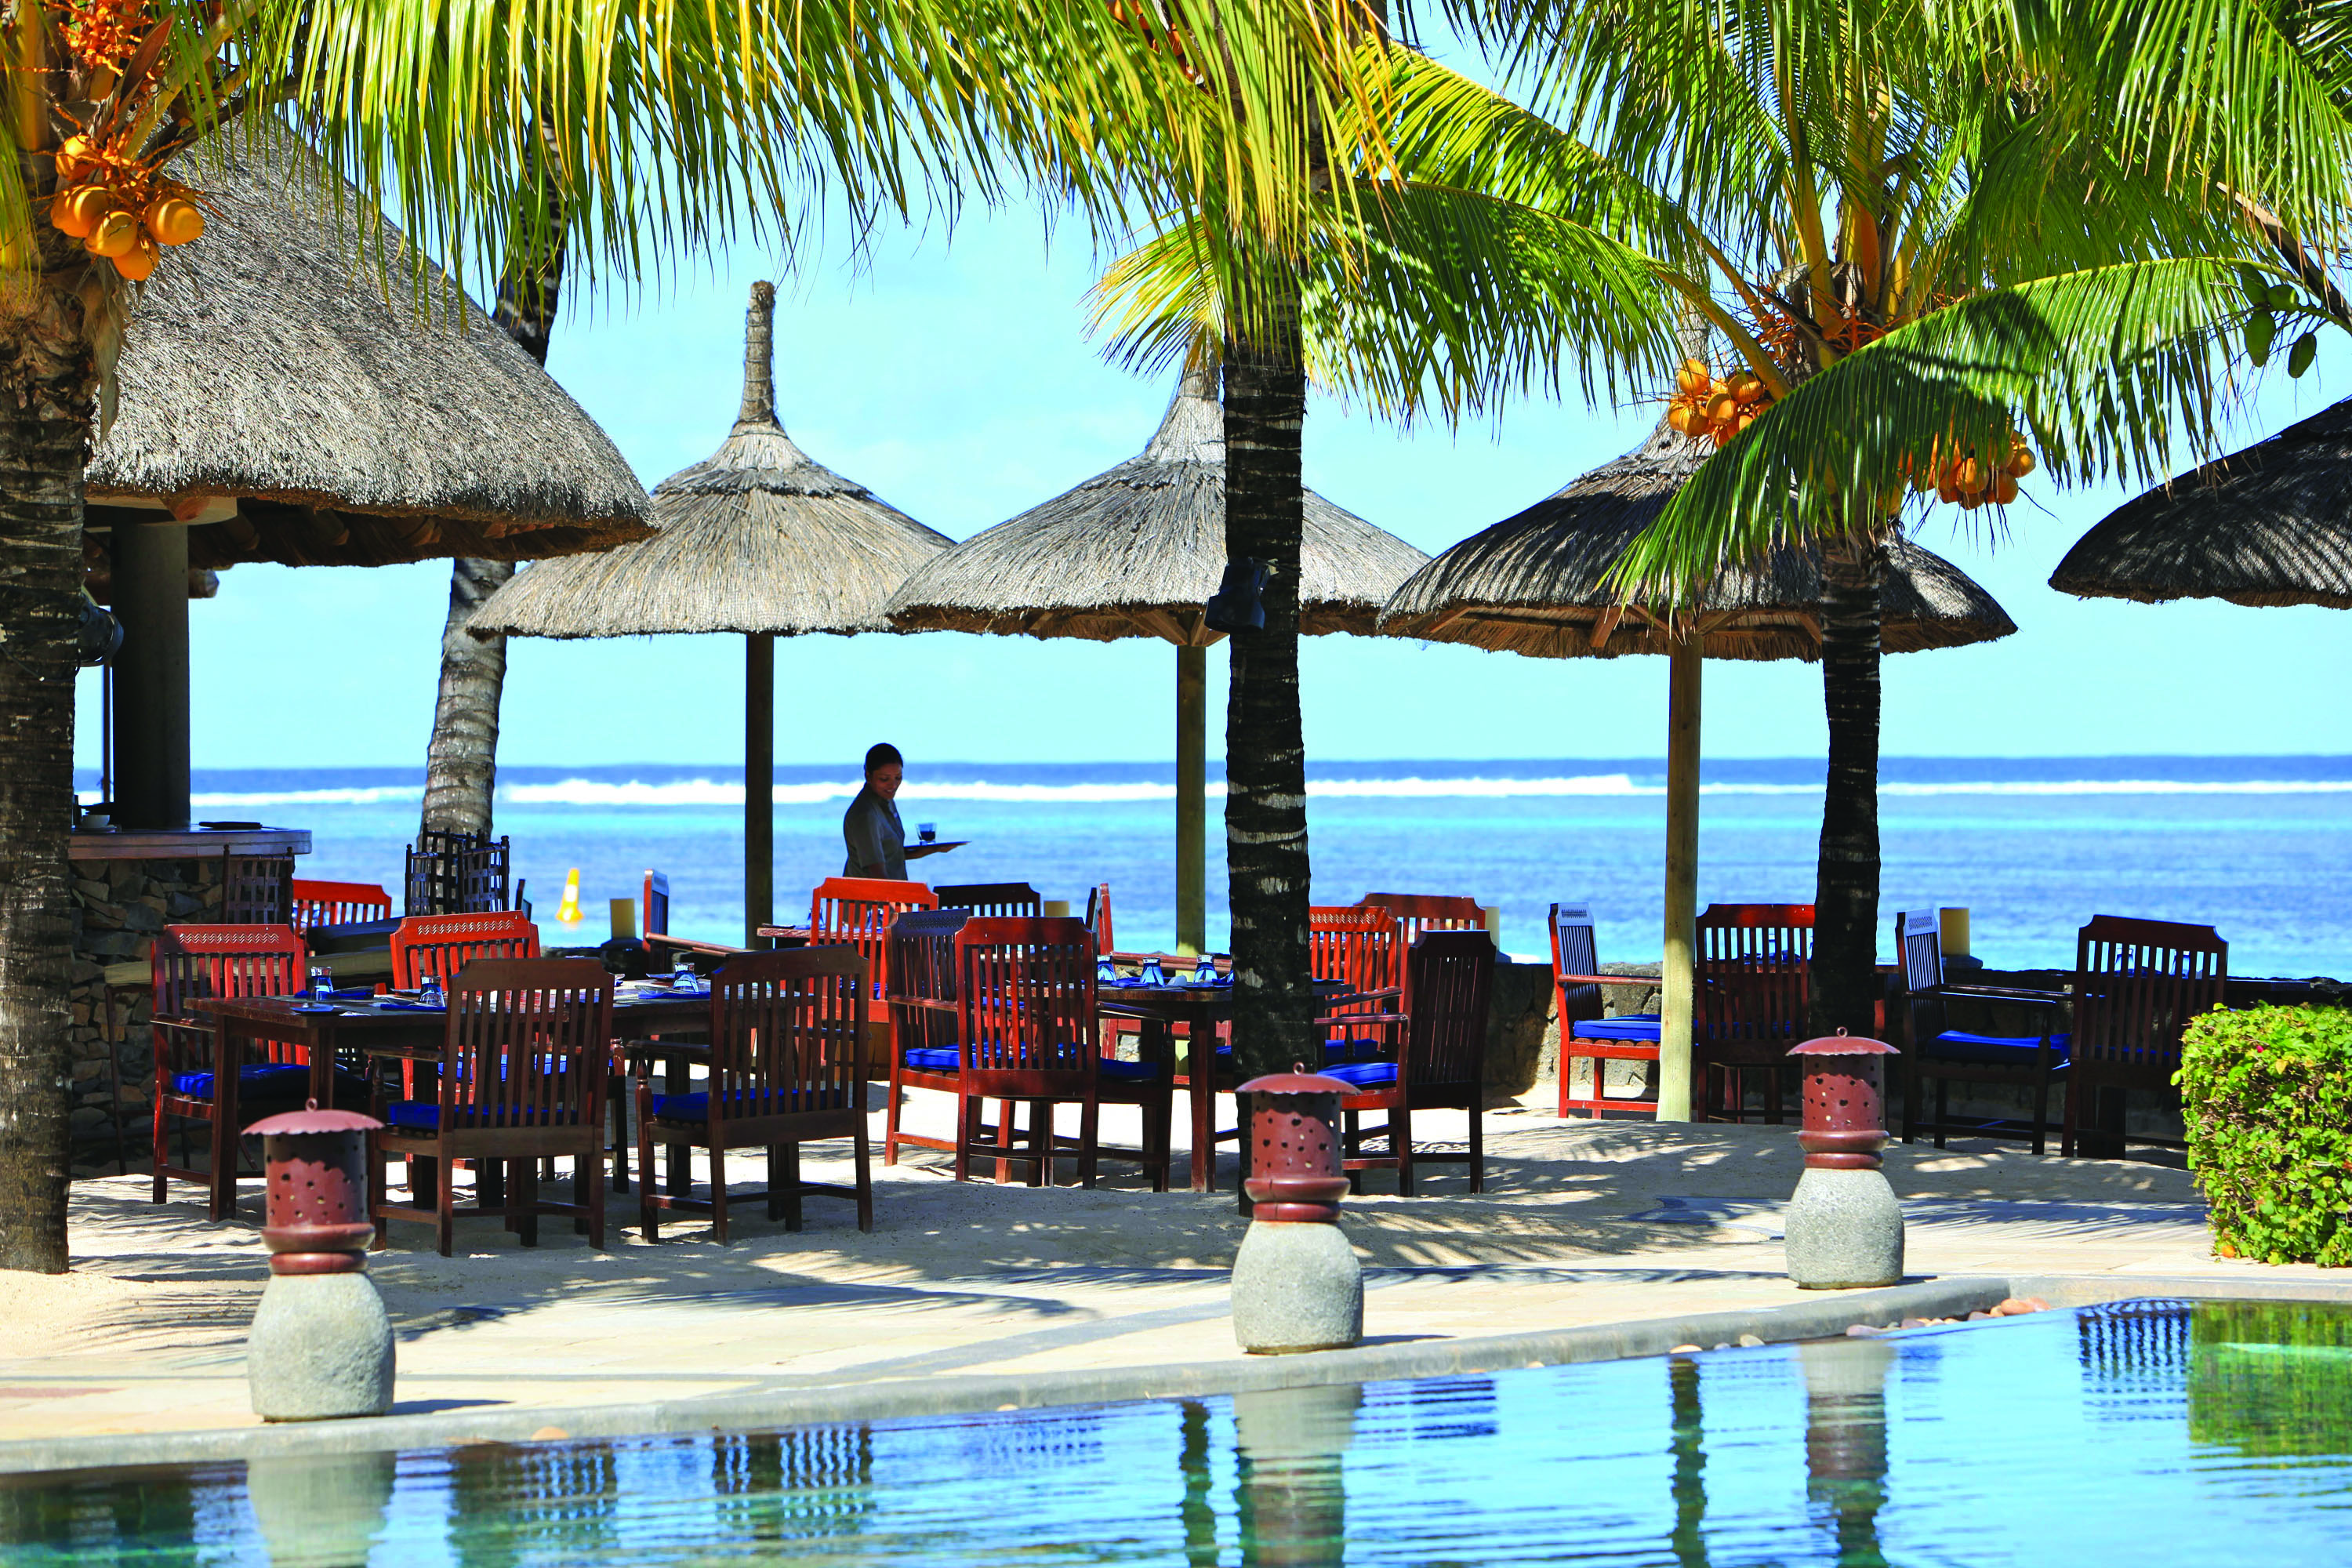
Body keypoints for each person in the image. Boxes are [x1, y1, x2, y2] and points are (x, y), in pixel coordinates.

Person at [843, 742, 906, 880]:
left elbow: (890, 853)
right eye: (884, 779)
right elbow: (878, 875)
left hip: (888, 896)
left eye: (898, 778)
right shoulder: (866, 815)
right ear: (868, 775)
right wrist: (901, 902)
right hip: (867, 900)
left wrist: (932, 849)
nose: (893, 785)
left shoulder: (886, 800)